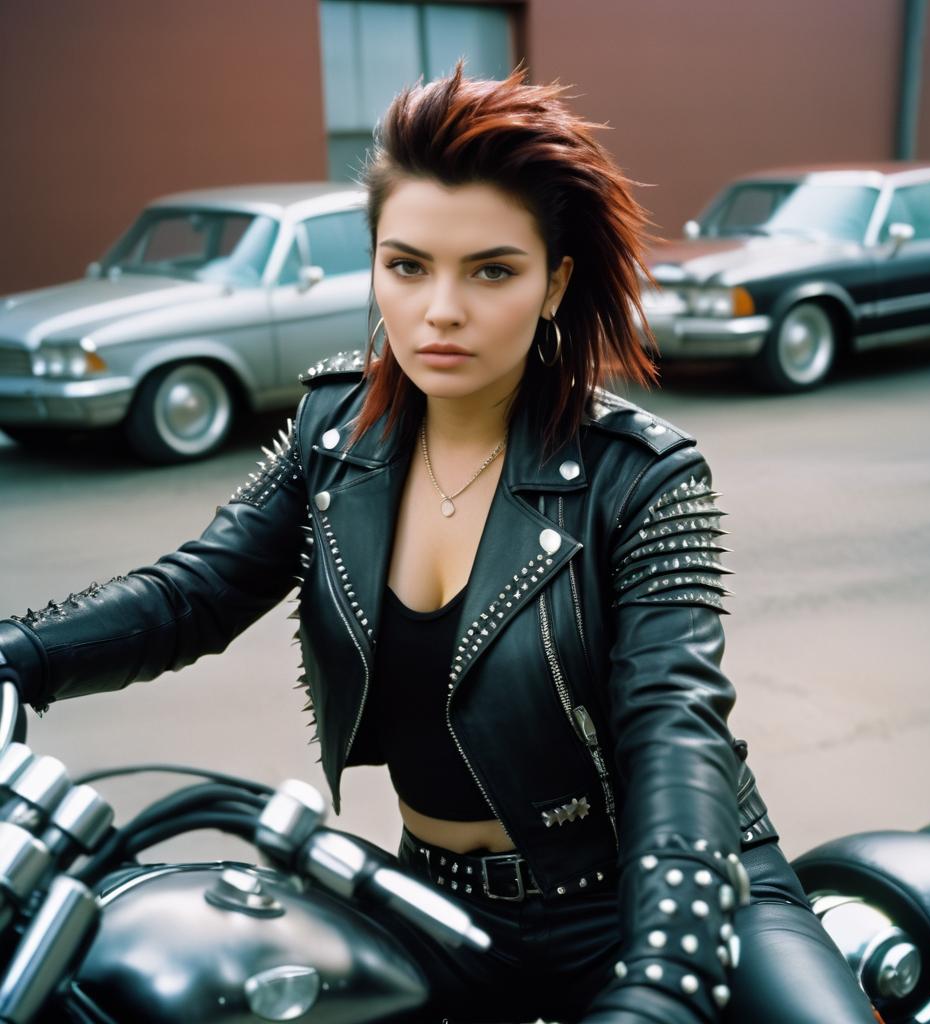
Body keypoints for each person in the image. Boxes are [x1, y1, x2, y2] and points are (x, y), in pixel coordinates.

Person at [0, 66, 878, 1024]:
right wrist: (20, 656)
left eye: (491, 270)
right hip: (429, 902)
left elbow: (675, 723)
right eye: (407, 265)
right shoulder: (336, 430)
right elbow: (194, 595)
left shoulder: (646, 477)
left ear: (556, 284)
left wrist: (668, 964)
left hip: (663, 897)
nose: (438, 310)